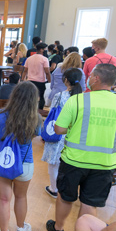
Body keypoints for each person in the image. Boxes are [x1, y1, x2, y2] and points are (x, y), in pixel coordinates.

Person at [45, 64, 116, 231]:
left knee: (66, 197)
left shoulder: (78, 100)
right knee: (90, 203)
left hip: (74, 160)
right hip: (105, 163)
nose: (87, 78)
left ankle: (58, 229)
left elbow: (58, 129)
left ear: (96, 78)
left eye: (90, 75)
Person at [0, 82, 42, 231]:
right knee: (21, 196)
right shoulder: (35, 118)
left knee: (3, 199)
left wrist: (2, 137)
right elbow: (34, 137)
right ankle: (20, 229)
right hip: (24, 163)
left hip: (1, 162)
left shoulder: (0, 114)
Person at [42, 69, 84, 199]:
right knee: (68, 163)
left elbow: (51, 115)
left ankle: (54, 188)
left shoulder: (60, 96)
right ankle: (68, 188)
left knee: (54, 162)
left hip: (59, 133)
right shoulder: (83, 98)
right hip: (75, 134)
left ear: (66, 80)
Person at [24, 42, 50, 109]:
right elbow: (47, 72)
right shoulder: (44, 59)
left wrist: (22, 79)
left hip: (30, 80)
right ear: (41, 50)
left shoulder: (29, 58)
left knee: (30, 97)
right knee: (41, 97)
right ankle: (39, 112)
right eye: (44, 49)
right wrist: (50, 82)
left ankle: (29, 110)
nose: (45, 50)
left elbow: (25, 70)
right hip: (41, 81)